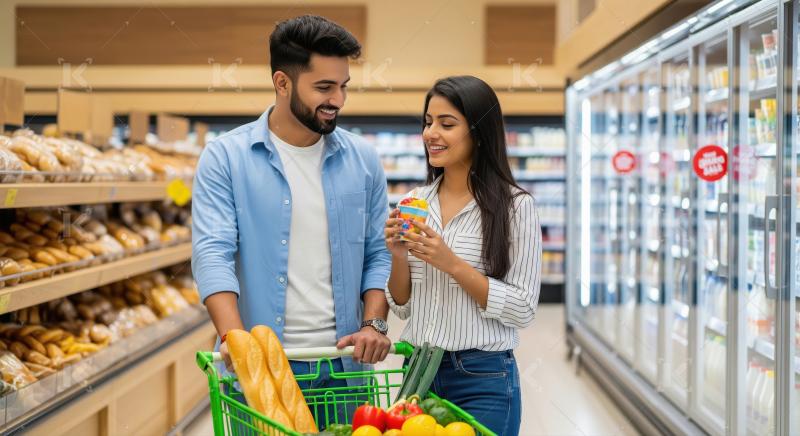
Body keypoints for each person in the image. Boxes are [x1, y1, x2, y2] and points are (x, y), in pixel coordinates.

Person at [192, 15, 392, 425]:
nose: (337, 99)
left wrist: (374, 323)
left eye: (343, 87)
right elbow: (213, 252)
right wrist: (233, 336)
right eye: (323, 87)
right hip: (261, 369)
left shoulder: (363, 160)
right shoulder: (226, 158)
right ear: (282, 83)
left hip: (345, 368)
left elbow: (378, 253)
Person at [384, 75, 541, 436]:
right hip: (418, 373)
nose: (431, 134)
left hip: (482, 378)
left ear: (479, 132)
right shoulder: (414, 202)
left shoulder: (516, 208)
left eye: (446, 124)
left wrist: (452, 264)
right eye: (427, 122)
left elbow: (522, 308)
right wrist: (396, 254)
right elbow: (403, 306)